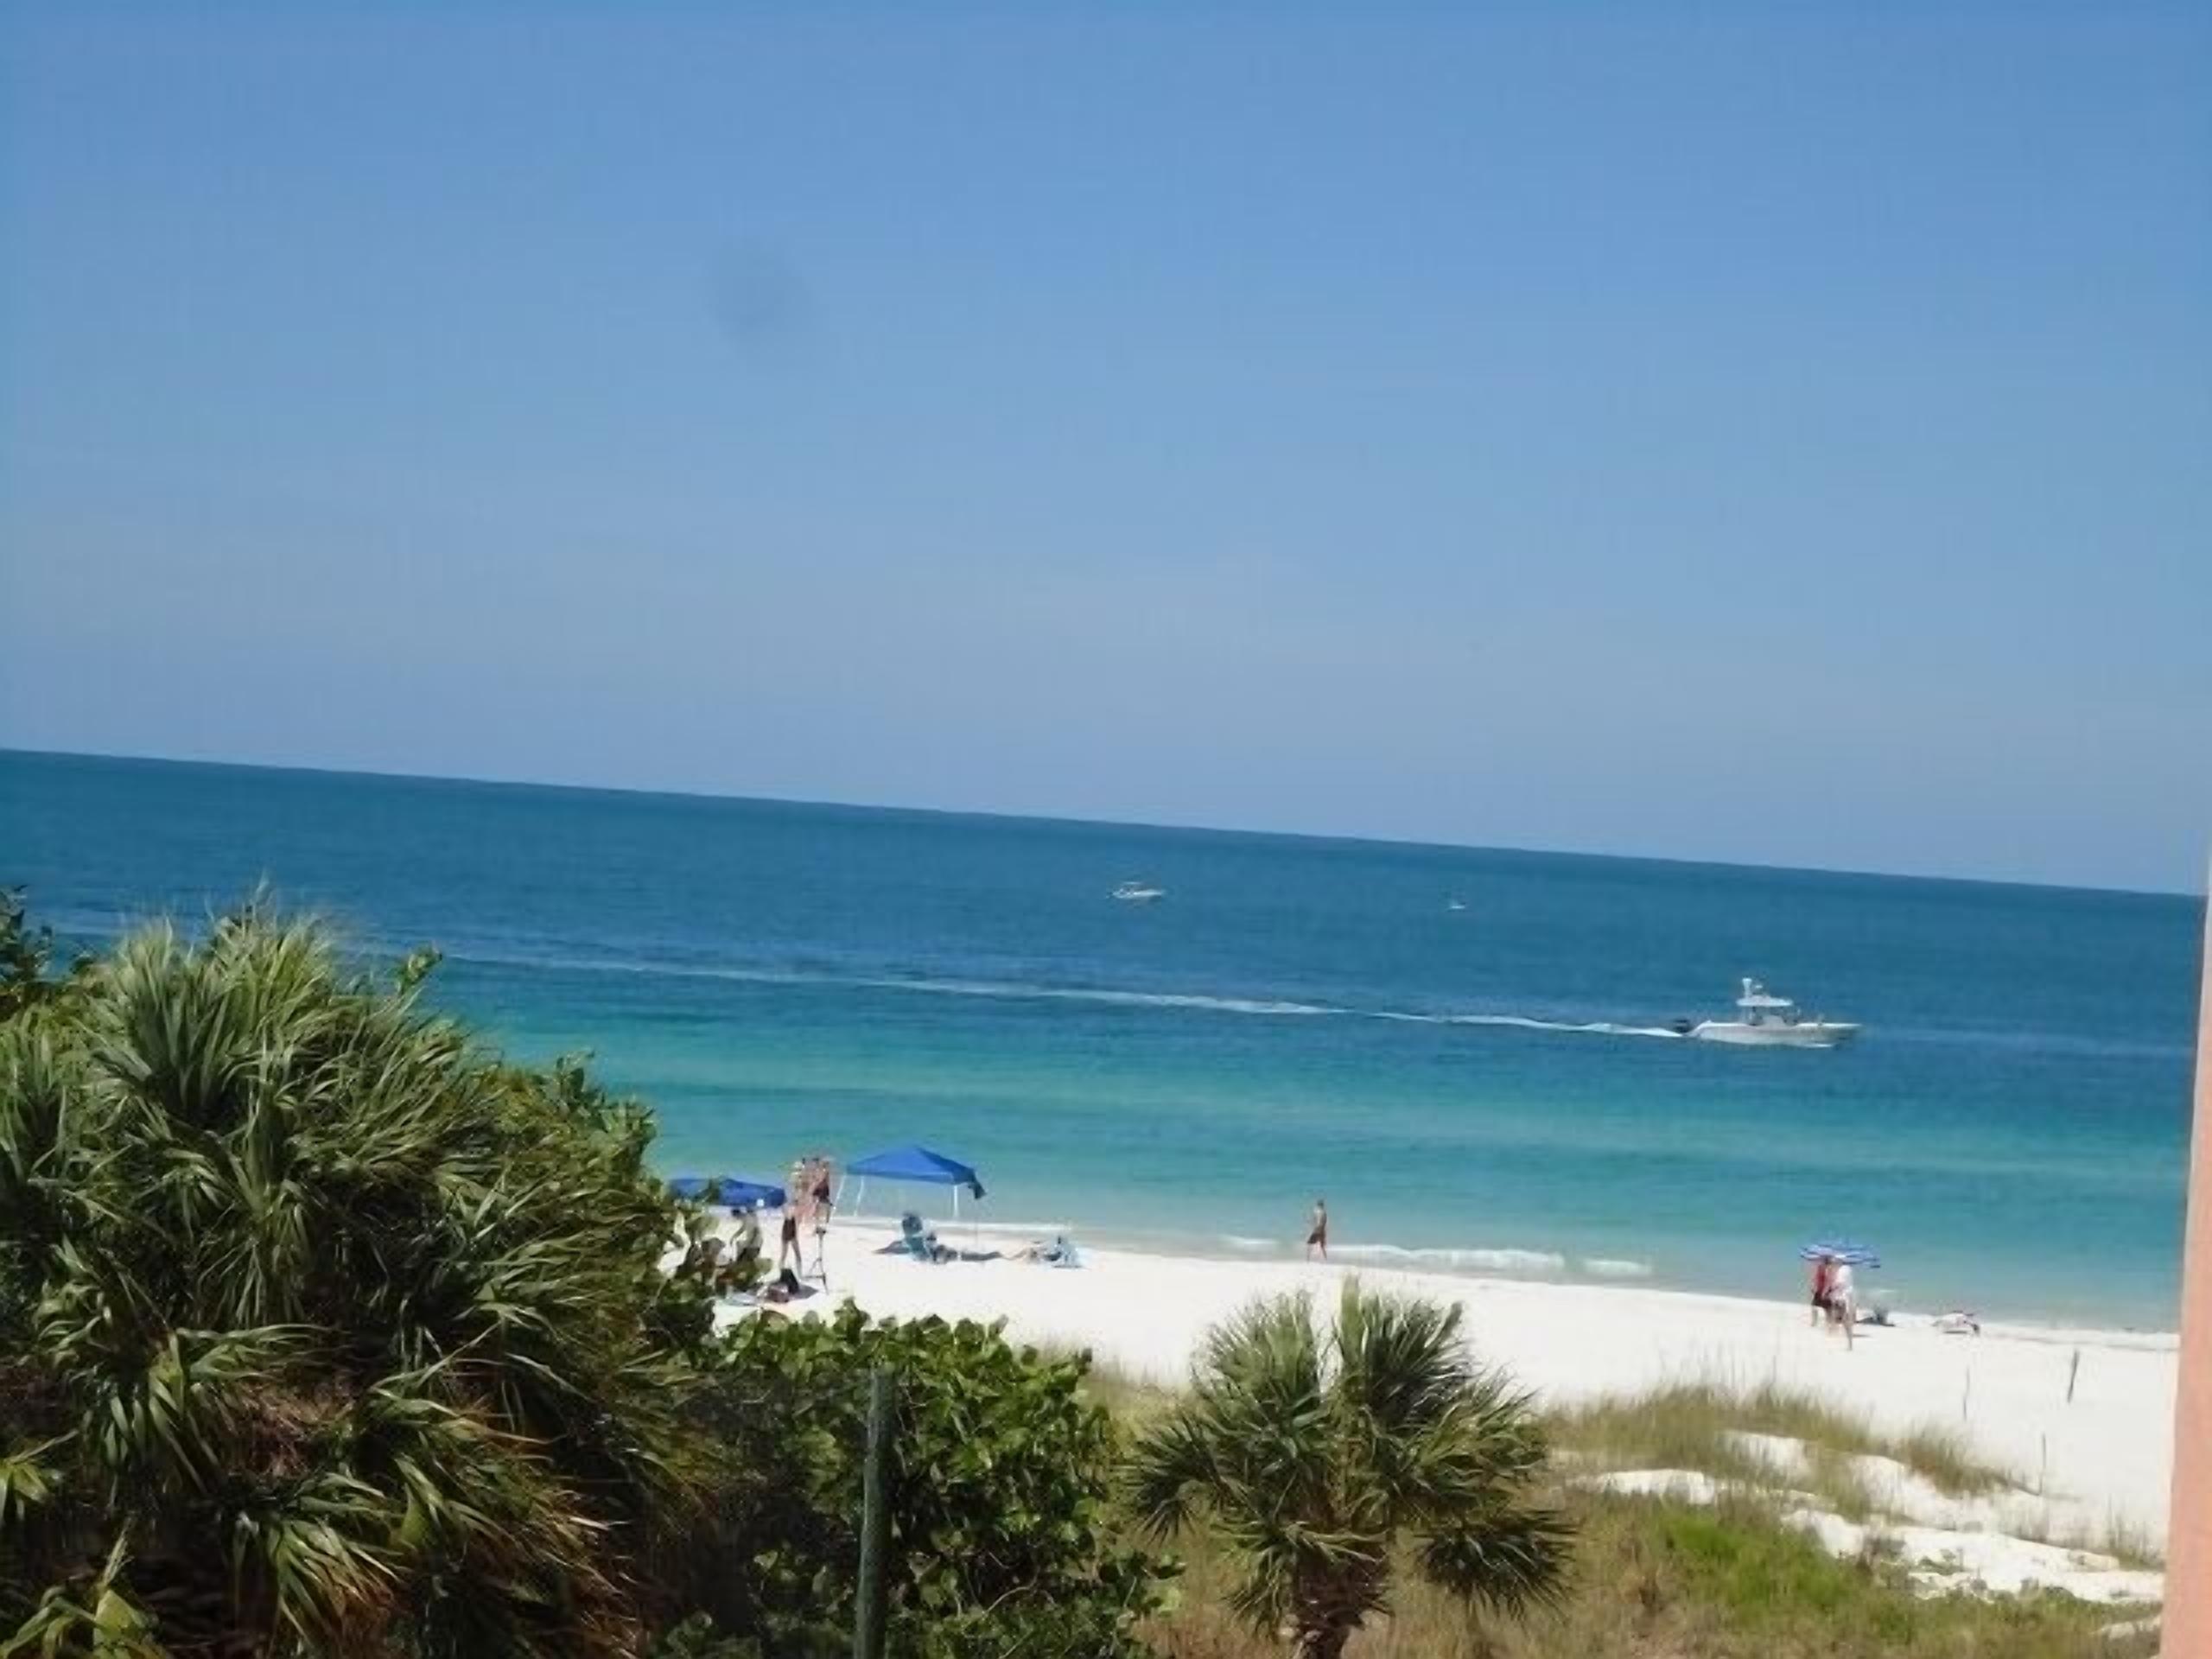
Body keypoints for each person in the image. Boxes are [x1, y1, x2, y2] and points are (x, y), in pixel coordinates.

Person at [1808, 1253, 1833, 1328]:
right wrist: (1813, 1287)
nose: (1820, 1261)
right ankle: (1814, 1322)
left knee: (1827, 1308)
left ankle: (1828, 1323)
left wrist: (1825, 1292)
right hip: (1819, 1290)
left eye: (1822, 1260)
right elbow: (1816, 1279)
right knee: (1814, 1306)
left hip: (1824, 1290)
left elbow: (1828, 1281)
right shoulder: (1820, 1268)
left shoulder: (1827, 1269)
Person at [1306, 1198, 1328, 1262]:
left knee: (1309, 1244)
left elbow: (1314, 1220)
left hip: (1317, 1230)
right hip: (1322, 1231)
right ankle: (1326, 1259)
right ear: (1323, 1205)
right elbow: (1324, 1222)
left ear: (1318, 1205)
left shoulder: (1316, 1211)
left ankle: (1308, 1260)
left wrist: (1309, 1222)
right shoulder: (1324, 1213)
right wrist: (1324, 1231)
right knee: (1322, 1246)